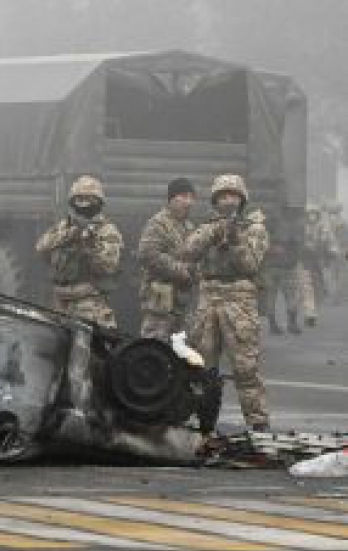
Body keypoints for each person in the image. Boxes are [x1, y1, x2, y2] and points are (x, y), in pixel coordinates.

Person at [182, 174, 270, 431]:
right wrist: (213, 232)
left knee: (246, 367)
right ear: (215, 200)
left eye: (232, 196)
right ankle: (203, 423)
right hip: (208, 297)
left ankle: (258, 424)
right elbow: (187, 251)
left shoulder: (254, 229)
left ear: (242, 199)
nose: (227, 201)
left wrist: (235, 240)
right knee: (202, 365)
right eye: (222, 196)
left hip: (239, 298)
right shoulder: (207, 226)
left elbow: (250, 264)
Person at [35, 175, 123, 328]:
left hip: (89, 303)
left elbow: (108, 265)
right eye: (79, 199)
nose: (84, 204)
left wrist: (87, 245)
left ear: (98, 202)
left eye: (89, 199)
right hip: (60, 303)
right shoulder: (64, 227)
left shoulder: (107, 230)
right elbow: (41, 247)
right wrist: (69, 235)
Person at [136, 177, 197, 340]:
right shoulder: (158, 224)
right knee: (155, 348)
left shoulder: (189, 227)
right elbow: (147, 254)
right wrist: (179, 270)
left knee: (182, 352)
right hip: (160, 303)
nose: (188, 202)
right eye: (183, 196)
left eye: (191, 197)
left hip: (182, 302)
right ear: (171, 198)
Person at [262, 214, 302, 335]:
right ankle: (292, 324)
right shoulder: (289, 230)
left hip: (271, 268)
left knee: (271, 297)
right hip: (287, 268)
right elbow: (298, 247)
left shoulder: (264, 233)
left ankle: (273, 326)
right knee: (290, 296)